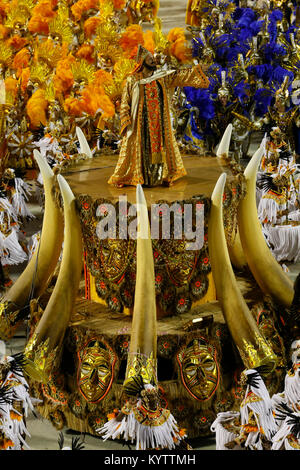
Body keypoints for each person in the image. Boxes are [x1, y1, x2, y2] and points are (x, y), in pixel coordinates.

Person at [108, 45, 209, 188]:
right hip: (139, 124)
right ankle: (131, 176)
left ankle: (162, 176)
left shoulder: (161, 78)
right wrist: (125, 120)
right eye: (150, 59)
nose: (154, 61)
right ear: (142, 62)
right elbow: (125, 101)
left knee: (160, 148)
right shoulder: (133, 80)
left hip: (159, 123)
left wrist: (196, 70)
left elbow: (179, 75)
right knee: (138, 148)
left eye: (153, 59)